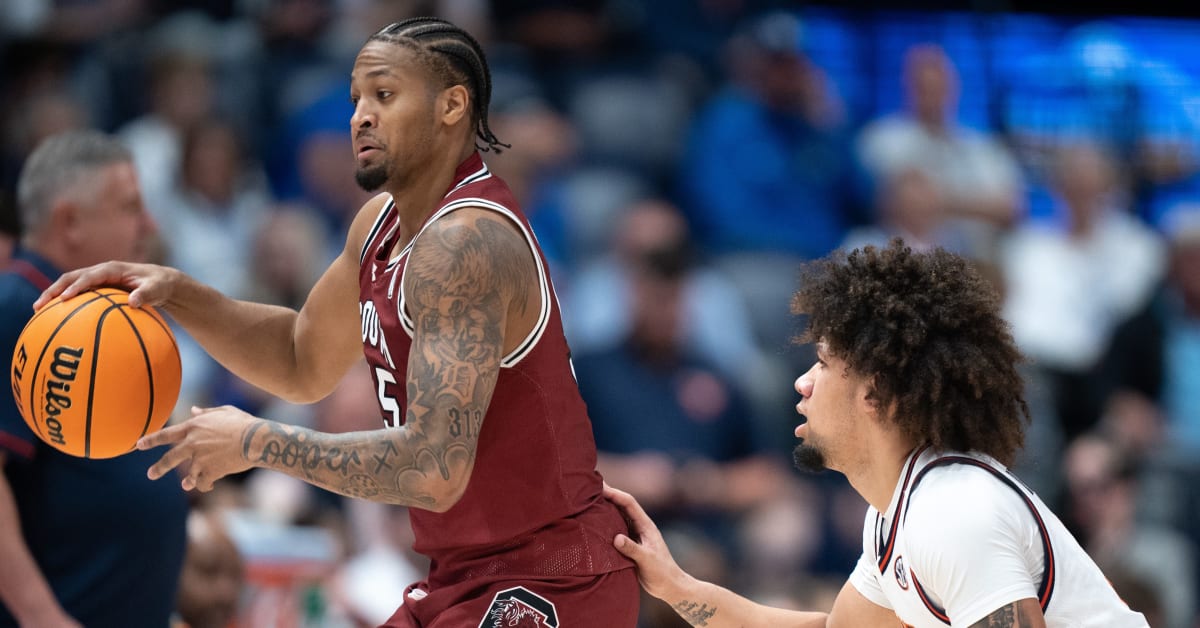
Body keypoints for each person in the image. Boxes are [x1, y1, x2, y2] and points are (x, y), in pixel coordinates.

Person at [37, 16, 638, 628]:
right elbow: (300, 361)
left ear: (452, 106)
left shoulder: (466, 242)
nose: (360, 117)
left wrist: (255, 442)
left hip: (553, 577)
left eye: (384, 94)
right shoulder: (379, 225)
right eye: (355, 99)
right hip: (467, 574)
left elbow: (434, 469)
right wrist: (178, 294)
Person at [605, 240, 1151, 627]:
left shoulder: (954, 513)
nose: (802, 382)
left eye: (822, 364)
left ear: (874, 392)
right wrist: (675, 586)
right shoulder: (897, 514)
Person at [0, 130, 189, 626]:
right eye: (130, 207)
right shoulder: (17, 308)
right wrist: (42, 617)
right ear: (70, 222)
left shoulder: (98, 313)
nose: (148, 223)